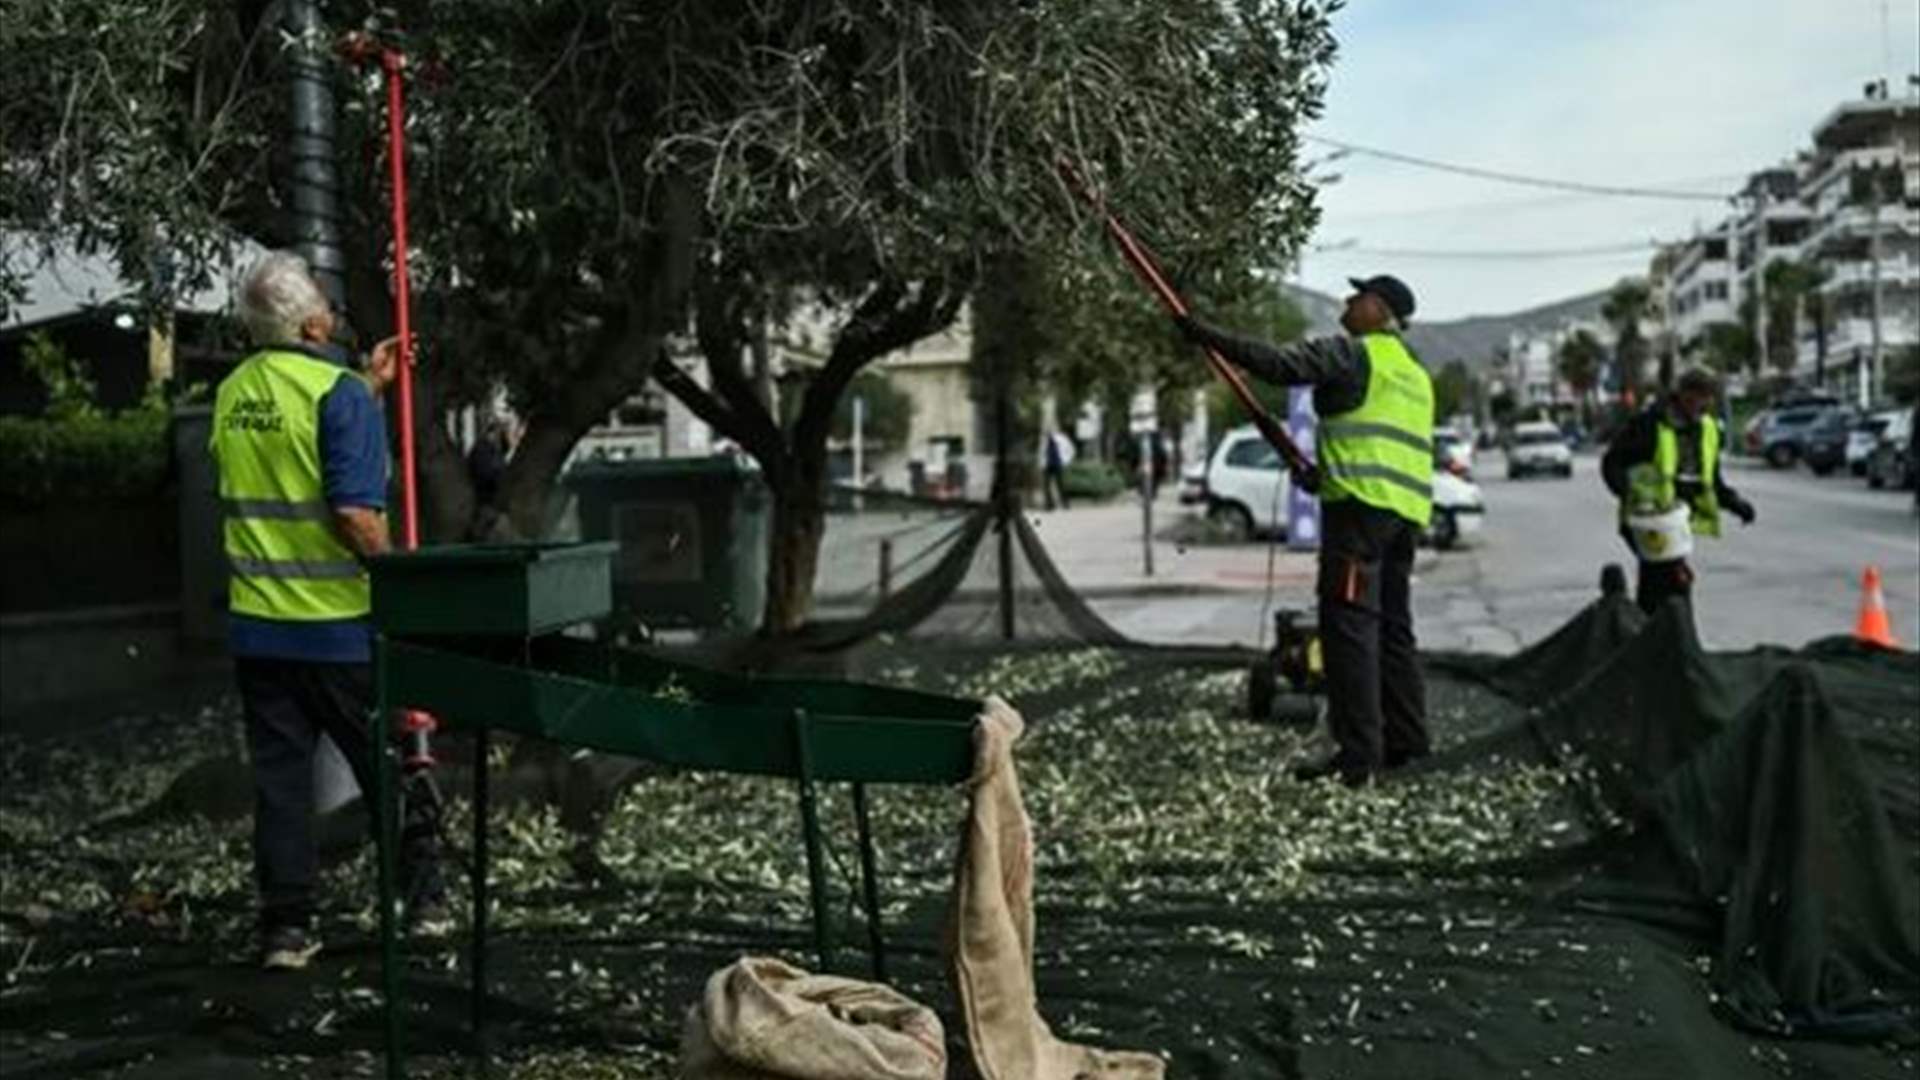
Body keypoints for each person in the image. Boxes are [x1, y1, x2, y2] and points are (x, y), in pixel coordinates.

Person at [212, 252, 446, 971]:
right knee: (386, 767)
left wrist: (367, 391)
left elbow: (287, 462)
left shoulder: (232, 392)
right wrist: (404, 581)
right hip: (340, 627)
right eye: (328, 305)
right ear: (313, 322)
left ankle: (286, 928)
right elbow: (353, 513)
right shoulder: (334, 394)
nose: (335, 316)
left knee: (281, 785)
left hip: (259, 629)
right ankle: (421, 901)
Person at [1177, 275, 1433, 787]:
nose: (1347, 302)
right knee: (1392, 631)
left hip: (1358, 518)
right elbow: (1380, 441)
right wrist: (1320, 474)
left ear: (1378, 309)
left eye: (1357, 297)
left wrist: (1206, 336)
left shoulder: (1354, 353)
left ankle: (1358, 758)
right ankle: (1408, 743)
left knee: (1349, 629)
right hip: (1403, 517)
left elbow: (1280, 366)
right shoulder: (1414, 372)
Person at [1601, 367, 1756, 614]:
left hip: (1675, 519)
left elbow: (1711, 480)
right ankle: (1661, 636)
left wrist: (1735, 503)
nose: (1703, 404)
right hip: (1644, 519)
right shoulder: (1650, 424)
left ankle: (1659, 634)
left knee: (1666, 580)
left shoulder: (1707, 429)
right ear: (1683, 395)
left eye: (1708, 398)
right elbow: (1613, 462)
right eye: (1698, 397)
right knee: (1666, 579)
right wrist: (1626, 490)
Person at [1040, 428, 1074, 510]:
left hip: (1058, 464)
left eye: (1048, 432)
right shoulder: (1045, 441)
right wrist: (1042, 464)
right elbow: (1042, 453)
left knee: (1061, 484)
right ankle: (1049, 505)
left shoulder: (1062, 439)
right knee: (1046, 485)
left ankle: (1065, 503)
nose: (1046, 434)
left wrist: (1066, 461)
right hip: (1048, 465)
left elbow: (1071, 450)